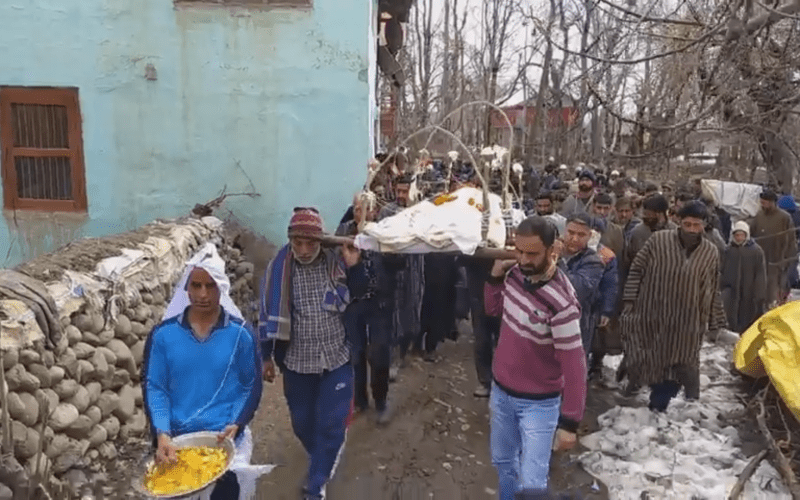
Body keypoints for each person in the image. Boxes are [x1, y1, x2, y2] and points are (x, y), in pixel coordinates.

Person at [142, 243, 263, 500]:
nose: (203, 294)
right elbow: (156, 387)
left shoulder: (240, 335)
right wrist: (162, 433)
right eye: (196, 285)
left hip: (223, 442)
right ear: (186, 287)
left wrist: (237, 423)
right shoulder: (164, 336)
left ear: (222, 287)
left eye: (211, 286)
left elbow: (249, 385)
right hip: (177, 444)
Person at [259, 208, 364, 500]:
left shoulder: (337, 262)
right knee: (302, 423)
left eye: (310, 243)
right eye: (298, 243)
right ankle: (326, 454)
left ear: (320, 241)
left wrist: (354, 267)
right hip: (296, 364)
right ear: (290, 240)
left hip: (336, 359)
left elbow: (362, 293)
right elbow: (266, 312)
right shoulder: (278, 269)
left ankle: (316, 485)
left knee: (330, 423)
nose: (304, 249)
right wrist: (266, 356)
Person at [485, 216, 587, 497]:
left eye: (532, 254)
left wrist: (569, 423)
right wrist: (495, 276)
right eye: (519, 251)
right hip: (502, 392)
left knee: (532, 482)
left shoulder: (562, 303)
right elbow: (494, 310)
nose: (523, 260)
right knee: (504, 462)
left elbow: (575, 366)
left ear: (551, 250)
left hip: (539, 405)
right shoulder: (515, 275)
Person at [620, 202, 727, 412]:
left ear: (704, 225)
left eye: (696, 225)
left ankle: (659, 406)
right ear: (678, 221)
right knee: (647, 358)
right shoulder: (658, 241)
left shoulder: (710, 252)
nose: (691, 230)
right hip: (653, 314)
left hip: (687, 323)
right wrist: (629, 302)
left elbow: (713, 287)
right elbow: (636, 271)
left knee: (679, 366)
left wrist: (716, 320)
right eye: (687, 224)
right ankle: (634, 385)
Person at [336, 196, 392, 423]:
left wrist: (393, 252)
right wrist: (353, 265)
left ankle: (381, 402)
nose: (360, 213)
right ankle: (360, 401)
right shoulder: (343, 234)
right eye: (357, 209)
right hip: (353, 304)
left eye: (365, 209)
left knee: (379, 355)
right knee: (355, 355)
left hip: (379, 304)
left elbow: (399, 265)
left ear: (374, 211)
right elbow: (337, 269)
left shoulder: (386, 232)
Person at [559, 214, 606, 355]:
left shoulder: (593, 261)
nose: (574, 239)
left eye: (581, 235)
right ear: (564, 230)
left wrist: (558, 261)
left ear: (590, 236)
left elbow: (576, 290)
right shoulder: (550, 250)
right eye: (571, 233)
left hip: (576, 327)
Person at [749, 190, 797, 306]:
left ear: (772, 202)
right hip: (760, 261)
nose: (762, 205)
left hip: (777, 262)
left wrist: (788, 261)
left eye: (765, 203)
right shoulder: (759, 216)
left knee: (774, 294)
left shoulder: (784, 218)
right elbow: (751, 235)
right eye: (761, 203)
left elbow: (791, 241)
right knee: (759, 292)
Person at [721, 221, 767, 333]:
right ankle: (733, 329)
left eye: (741, 235)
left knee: (747, 311)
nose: (739, 238)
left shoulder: (756, 251)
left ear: (747, 235)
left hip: (749, 288)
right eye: (737, 235)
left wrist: (759, 291)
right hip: (731, 288)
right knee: (731, 310)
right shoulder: (729, 250)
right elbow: (722, 268)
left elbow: (760, 272)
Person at [591, 193, 624, 259]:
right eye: (599, 208)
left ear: (611, 209)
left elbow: (619, 256)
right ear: (593, 207)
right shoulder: (585, 227)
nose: (602, 212)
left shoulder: (616, 230)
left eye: (606, 208)